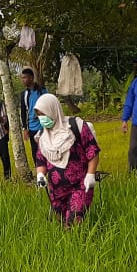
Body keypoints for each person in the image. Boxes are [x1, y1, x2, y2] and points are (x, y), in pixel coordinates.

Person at [33, 93, 100, 228]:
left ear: (53, 110)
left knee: (73, 223)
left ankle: (80, 247)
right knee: (59, 223)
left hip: (80, 185)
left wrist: (91, 174)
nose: (42, 119)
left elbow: (92, 150)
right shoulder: (43, 136)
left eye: (44, 114)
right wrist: (40, 175)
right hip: (56, 191)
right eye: (39, 115)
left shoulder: (76, 127)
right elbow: (41, 160)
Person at [19, 68, 47, 165]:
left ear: (31, 78)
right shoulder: (24, 94)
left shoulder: (42, 91)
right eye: (22, 78)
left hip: (43, 126)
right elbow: (23, 111)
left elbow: (48, 106)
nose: (23, 80)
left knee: (45, 149)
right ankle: (39, 172)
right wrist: (24, 128)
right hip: (31, 127)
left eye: (25, 77)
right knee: (35, 151)